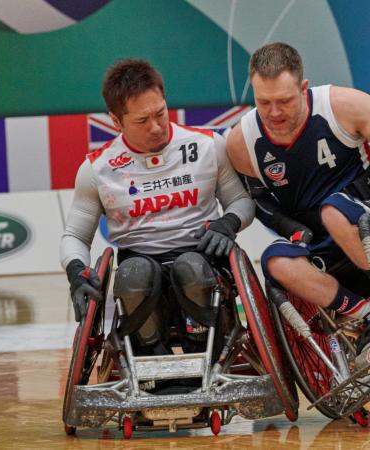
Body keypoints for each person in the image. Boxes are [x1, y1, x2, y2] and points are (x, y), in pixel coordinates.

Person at [226, 42, 370, 363]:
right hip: (317, 240)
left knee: (334, 209)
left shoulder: (342, 104)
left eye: (284, 100)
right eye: (264, 102)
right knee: (274, 261)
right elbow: (260, 200)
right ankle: (369, 314)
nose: (274, 113)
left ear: (304, 88)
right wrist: (290, 228)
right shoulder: (241, 140)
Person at [60, 59, 255, 359]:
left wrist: (228, 223)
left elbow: (241, 202)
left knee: (190, 268)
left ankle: (202, 352)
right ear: (115, 120)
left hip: (202, 260)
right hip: (138, 266)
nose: (156, 127)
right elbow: (74, 235)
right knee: (134, 275)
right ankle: (152, 361)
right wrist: (76, 271)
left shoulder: (207, 146)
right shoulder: (97, 169)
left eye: (160, 113)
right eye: (141, 121)